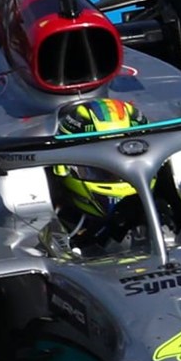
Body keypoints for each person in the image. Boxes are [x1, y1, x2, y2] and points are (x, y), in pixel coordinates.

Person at [47, 99, 150, 251]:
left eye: (127, 158)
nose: (117, 172)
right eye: (101, 166)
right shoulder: (58, 216)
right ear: (62, 167)